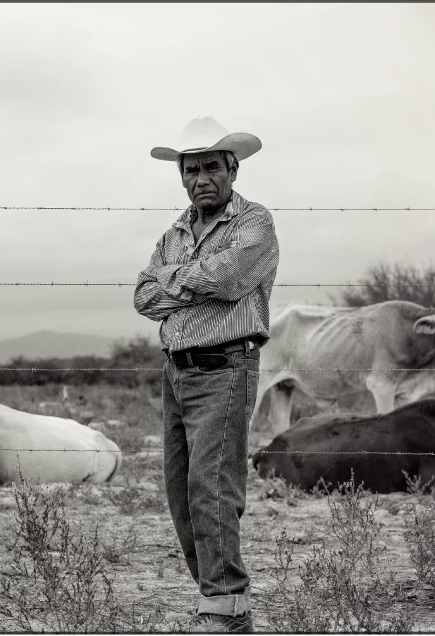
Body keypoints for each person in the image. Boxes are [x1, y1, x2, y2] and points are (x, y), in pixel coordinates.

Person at [133, 115, 280, 633]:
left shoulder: (254, 223)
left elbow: (231, 277)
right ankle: (219, 601)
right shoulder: (175, 231)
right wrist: (195, 282)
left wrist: (176, 282)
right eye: (191, 170)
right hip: (177, 371)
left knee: (211, 486)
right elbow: (142, 297)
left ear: (232, 169)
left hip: (225, 365)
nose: (201, 179)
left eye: (211, 168)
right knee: (180, 490)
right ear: (182, 176)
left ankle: (225, 602)